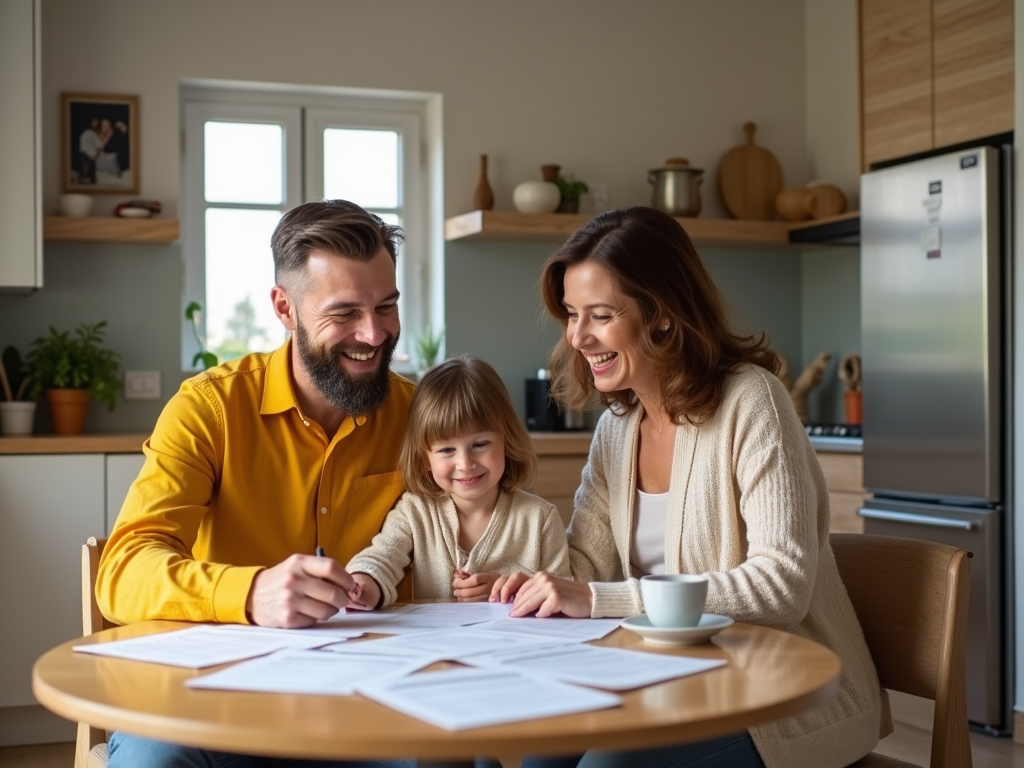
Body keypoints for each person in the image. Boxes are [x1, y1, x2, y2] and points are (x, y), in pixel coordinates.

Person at [495, 207, 890, 768]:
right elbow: (585, 567)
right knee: (536, 753)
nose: (578, 337)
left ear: (662, 316)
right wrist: (530, 580)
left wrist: (600, 598)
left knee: (609, 766)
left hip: (784, 698)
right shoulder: (616, 429)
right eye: (572, 314)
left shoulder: (753, 402)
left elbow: (782, 586)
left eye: (600, 315)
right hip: (670, 680)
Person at [96, 200, 419, 768]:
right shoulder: (209, 409)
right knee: (155, 759)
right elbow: (123, 572)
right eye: (344, 313)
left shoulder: (420, 414)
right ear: (284, 308)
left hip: (375, 695)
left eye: (387, 307)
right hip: (217, 696)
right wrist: (249, 594)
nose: (373, 333)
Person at [346, 355, 571, 609]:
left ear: (507, 442)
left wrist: (507, 592)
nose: (465, 463)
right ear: (423, 458)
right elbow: (382, 558)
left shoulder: (540, 519)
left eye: (479, 444)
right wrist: (362, 583)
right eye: (446, 450)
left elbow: (563, 594)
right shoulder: (414, 511)